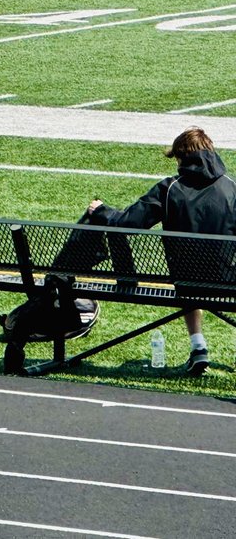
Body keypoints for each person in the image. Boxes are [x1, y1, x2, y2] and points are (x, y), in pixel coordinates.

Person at [87, 128, 236, 376]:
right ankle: (198, 347)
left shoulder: (170, 189)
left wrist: (103, 211)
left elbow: (128, 223)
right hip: (228, 280)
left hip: (185, 280)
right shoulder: (232, 188)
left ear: (180, 158)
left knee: (190, 272)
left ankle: (198, 345)